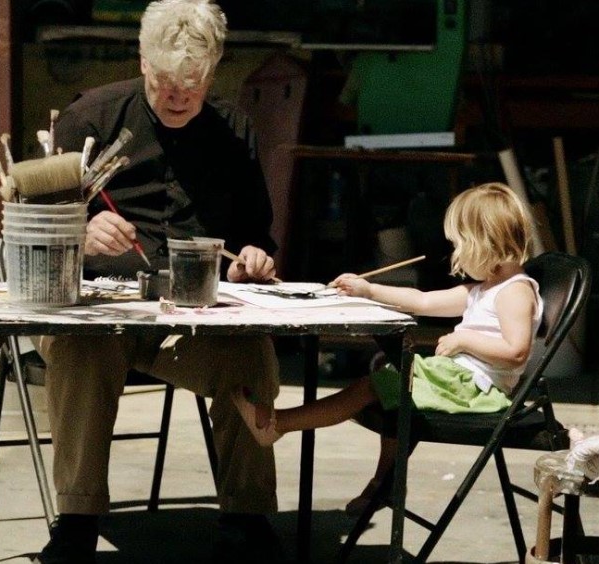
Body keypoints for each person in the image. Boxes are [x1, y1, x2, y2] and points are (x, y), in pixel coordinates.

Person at [33, 1, 286, 562]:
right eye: (166, 82)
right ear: (142, 61)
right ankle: (76, 520)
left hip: (188, 319)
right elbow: (32, 228)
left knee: (252, 355)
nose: (177, 97)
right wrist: (80, 227)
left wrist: (252, 259)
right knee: (81, 351)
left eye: (192, 85)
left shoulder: (231, 128)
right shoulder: (90, 120)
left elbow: (256, 237)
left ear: (214, 69)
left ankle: (246, 515)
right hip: (94, 311)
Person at [231, 182, 544, 516]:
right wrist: (367, 289)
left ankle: (277, 424)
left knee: (377, 384)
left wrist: (464, 340)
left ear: (485, 243)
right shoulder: (485, 289)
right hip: (461, 382)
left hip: (478, 390)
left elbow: (516, 352)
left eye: (459, 245)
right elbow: (422, 301)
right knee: (390, 382)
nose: (456, 256)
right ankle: (385, 485)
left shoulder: (515, 292)